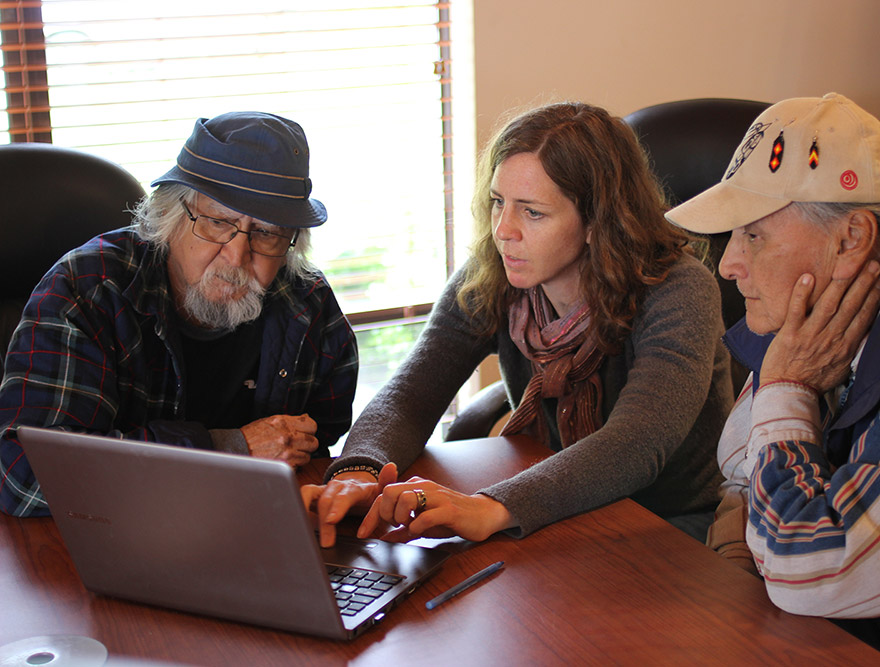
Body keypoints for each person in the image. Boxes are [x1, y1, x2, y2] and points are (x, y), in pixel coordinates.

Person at [301, 101, 733, 546]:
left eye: (532, 212)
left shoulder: (678, 290)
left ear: (596, 221)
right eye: (497, 203)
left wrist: (492, 507)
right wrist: (359, 470)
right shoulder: (493, 273)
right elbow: (412, 394)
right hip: (556, 501)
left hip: (670, 521)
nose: (503, 230)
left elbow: (638, 441)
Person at [665, 93, 880, 663]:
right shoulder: (825, 314)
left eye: (753, 235)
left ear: (851, 238)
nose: (726, 265)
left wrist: (786, 392)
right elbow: (740, 472)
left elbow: (809, 571)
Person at [0, 111, 358, 517]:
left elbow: (320, 443)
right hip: (111, 539)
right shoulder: (89, 288)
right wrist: (226, 448)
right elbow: (27, 477)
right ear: (169, 217)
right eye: (218, 222)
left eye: (267, 233)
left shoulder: (306, 301)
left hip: (253, 529)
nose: (237, 255)